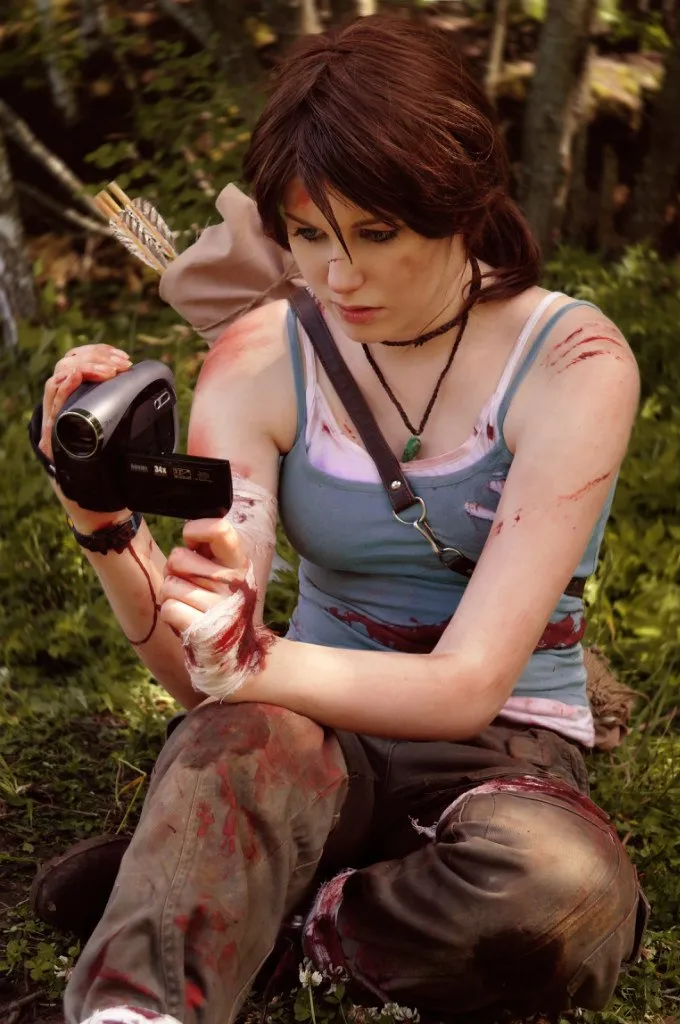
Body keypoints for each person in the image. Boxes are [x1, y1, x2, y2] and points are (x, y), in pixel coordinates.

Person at [36, 15, 648, 1024]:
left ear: (459, 201)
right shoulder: (259, 353)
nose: (337, 277)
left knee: (560, 898)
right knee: (232, 747)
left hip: (503, 749)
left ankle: (243, 905)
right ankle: (139, 999)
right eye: (308, 235)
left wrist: (248, 660)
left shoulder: (573, 362)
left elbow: (468, 686)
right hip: (303, 729)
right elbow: (205, 673)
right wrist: (104, 522)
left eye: (376, 233)